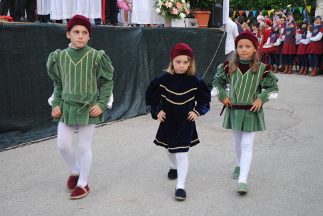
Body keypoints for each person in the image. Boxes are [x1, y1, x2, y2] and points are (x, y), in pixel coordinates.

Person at [47, 15, 114, 199]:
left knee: (84, 146)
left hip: (89, 107)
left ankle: (83, 183)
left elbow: (107, 82)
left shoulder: (96, 56)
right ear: (68, 33)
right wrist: (56, 103)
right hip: (67, 107)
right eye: (76, 32)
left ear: (89, 36)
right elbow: (58, 84)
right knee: (62, 144)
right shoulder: (59, 56)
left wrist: (101, 104)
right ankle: (75, 169)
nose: (80, 36)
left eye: (85, 33)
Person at [212, 31, 279, 194]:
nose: (244, 49)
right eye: (240, 46)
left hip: (251, 112)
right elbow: (217, 82)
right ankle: (240, 164)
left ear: (255, 48)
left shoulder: (262, 69)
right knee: (237, 142)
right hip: (234, 111)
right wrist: (222, 95)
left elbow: (272, 87)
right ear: (236, 48)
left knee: (247, 145)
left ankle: (243, 180)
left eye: (248, 46)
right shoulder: (228, 67)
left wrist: (261, 98)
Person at [145, 43, 211, 201]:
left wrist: (196, 111)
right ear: (172, 62)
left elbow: (204, 102)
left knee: (182, 153)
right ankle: (173, 166)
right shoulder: (162, 80)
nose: (182, 65)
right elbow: (153, 99)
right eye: (178, 62)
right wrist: (157, 110)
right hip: (168, 122)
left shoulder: (196, 82)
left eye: (185, 62)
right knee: (169, 150)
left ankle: (180, 186)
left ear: (190, 63)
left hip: (185, 123)